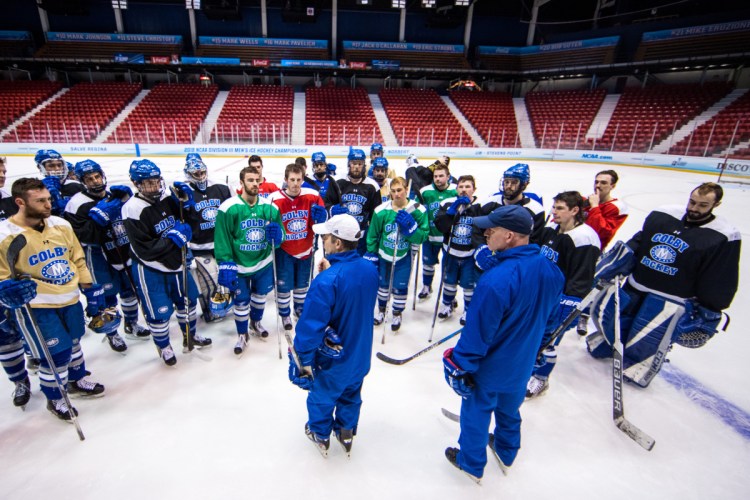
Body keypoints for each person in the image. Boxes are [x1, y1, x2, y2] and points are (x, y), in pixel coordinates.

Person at [442, 205, 564, 483]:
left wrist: (459, 365)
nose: (485, 233)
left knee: (476, 410)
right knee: (510, 408)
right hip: (523, 363)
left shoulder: (495, 280)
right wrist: (538, 349)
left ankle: (470, 462)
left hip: (490, 366)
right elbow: (551, 320)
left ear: (509, 236)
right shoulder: (552, 270)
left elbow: (477, 334)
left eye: (491, 229)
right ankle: (507, 451)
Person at [586, 182, 741, 388]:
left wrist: (711, 307)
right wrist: (617, 264)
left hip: (671, 300)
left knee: (649, 336)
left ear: (716, 204)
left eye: (702, 205)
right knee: (614, 320)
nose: (694, 209)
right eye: (692, 202)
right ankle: (607, 344)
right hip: (636, 284)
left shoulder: (722, 235)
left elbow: (719, 275)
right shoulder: (664, 215)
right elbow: (639, 242)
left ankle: (639, 365)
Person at [0, 177, 107, 421]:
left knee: (75, 342)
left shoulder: (60, 225)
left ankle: (77, 379)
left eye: (48, 199)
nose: (48, 205)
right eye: (40, 201)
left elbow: (77, 259)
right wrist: (7, 289)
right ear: (20, 202)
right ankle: (55, 397)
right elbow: (3, 276)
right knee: (56, 354)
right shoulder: (5, 235)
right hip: (37, 306)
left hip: (69, 298)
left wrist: (90, 291)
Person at [288, 214, 378, 458]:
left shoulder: (326, 282)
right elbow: (352, 292)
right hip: (360, 355)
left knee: (322, 397)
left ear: (338, 243)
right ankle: (346, 431)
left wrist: (300, 360)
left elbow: (310, 328)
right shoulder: (370, 269)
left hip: (333, 360)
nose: (322, 242)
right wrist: (334, 269)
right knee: (351, 394)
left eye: (325, 238)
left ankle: (320, 433)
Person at [121, 159, 211, 366]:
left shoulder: (168, 198)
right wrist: (171, 239)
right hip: (152, 269)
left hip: (178, 263)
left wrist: (188, 206)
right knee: (159, 313)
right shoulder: (132, 208)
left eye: (155, 181)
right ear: (136, 184)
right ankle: (164, 346)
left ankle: (190, 335)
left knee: (187, 302)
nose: (153, 187)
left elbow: (188, 222)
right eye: (147, 183)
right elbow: (144, 249)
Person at [64, 159, 151, 353]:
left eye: (97, 176)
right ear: (81, 181)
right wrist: (99, 218)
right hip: (98, 256)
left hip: (123, 249)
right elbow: (81, 237)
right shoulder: (76, 204)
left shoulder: (117, 195)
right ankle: (112, 333)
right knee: (107, 295)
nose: (95, 182)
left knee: (129, 291)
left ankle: (131, 324)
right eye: (89, 179)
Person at [525, 191, 601, 398]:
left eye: (559, 208)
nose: (553, 212)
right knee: (532, 338)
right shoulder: (551, 229)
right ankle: (525, 369)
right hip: (539, 295)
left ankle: (541, 378)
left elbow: (581, 279)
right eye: (554, 207)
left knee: (548, 341)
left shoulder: (584, 238)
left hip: (559, 301)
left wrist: (568, 306)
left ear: (575, 210)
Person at [215, 165, 284, 356]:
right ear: (242, 182)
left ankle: (256, 322)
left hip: (263, 262)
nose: (255, 184)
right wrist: (225, 262)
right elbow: (222, 238)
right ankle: (242, 333)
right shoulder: (228, 208)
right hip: (239, 265)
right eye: (251, 180)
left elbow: (280, 237)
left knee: (260, 296)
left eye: (257, 180)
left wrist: (277, 236)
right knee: (241, 300)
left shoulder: (270, 207)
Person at [365, 177, 428, 332]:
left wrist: (412, 229)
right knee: (383, 285)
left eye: (399, 190)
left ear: (406, 189)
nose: (396, 194)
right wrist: (372, 254)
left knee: (400, 286)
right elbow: (372, 235)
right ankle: (381, 310)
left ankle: (397, 313)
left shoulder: (418, 210)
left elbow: (423, 236)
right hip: (384, 254)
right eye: (393, 191)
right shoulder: (381, 211)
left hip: (403, 255)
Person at [269, 163, 326, 329]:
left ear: (303, 179)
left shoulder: (313, 196)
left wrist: (322, 216)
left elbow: (321, 221)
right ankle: (285, 314)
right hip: (284, 250)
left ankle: (299, 309)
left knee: (302, 284)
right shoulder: (274, 199)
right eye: (292, 180)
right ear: (285, 180)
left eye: (298, 179)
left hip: (306, 249)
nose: (295, 183)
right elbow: (268, 222)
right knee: (284, 286)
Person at [181, 154, 234, 323]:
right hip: (199, 246)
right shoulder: (182, 192)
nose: (200, 175)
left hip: (221, 243)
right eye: (196, 173)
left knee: (226, 277)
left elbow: (233, 211)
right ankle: (209, 309)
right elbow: (179, 222)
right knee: (207, 282)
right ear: (188, 174)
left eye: (202, 171)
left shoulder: (221, 187)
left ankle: (224, 304)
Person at [433, 175, 483, 325]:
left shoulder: (480, 207)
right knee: (448, 282)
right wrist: (450, 213)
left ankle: (468, 309)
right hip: (450, 253)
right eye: (461, 187)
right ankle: (447, 304)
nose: (464, 190)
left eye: (467, 186)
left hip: (469, 255)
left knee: (469, 285)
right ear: (456, 189)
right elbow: (440, 227)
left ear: (474, 189)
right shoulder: (447, 203)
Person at [324, 148, 381, 256]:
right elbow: (325, 204)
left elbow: (376, 216)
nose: (356, 167)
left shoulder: (373, 186)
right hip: (339, 236)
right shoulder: (337, 182)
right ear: (348, 164)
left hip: (361, 237)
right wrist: (331, 210)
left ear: (364, 165)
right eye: (353, 163)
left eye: (360, 164)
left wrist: (372, 239)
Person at [477, 163, 546, 245]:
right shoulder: (488, 203)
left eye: (514, 182)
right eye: (506, 182)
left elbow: (534, 241)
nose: (508, 186)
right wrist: (481, 247)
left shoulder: (536, 210)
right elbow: (475, 227)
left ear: (525, 184)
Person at [417, 163, 457, 300]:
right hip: (430, 236)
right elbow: (418, 209)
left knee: (449, 268)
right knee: (428, 264)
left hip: (449, 239)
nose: (438, 179)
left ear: (448, 177)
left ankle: (450, 295)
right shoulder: (425, 191)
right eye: (435, 176)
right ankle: (427, 286)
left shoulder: (455, 191)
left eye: (441, 176)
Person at [584, 170, 628, 251]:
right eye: (596, 182)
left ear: (612, 186)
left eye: (603, 183)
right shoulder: (585, 200)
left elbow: (600, 232)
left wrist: (594, 207)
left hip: (590, 251)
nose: (598, 185)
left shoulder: (615, 207)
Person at [33, 149, 83, 216]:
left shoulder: (76, 186)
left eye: (59, 165)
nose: (57, 169)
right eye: (51, 166)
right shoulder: (35, 188)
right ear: (40, 167)